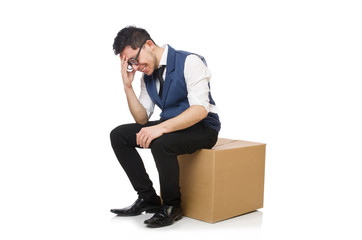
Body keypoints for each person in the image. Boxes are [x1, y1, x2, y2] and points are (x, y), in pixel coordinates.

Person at [110, 26, 221, 228]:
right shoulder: (147, 76)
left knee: (161, 142)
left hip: (203, 127)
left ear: (149, 45)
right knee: (118, 135)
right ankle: (148, 198)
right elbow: (142, 118)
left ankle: (172, 205)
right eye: (129, 64)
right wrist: (127, 86)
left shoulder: (189, 61)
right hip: (173, 125)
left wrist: (160, 129)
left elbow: (200, 110)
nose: (135, 67)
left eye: (134, 60)